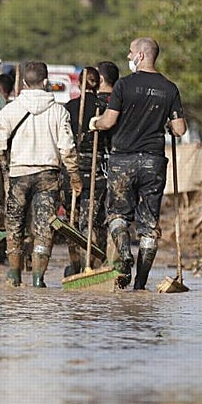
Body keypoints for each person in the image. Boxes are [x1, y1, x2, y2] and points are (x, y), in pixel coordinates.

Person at [0, 61, 82, 288]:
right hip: (48, 176)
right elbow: (67, 149)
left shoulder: (10, 110)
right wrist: (74, 176)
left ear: (24, 83)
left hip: (18, 176)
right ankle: (38, 279)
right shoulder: (59, 111)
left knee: (14, 226)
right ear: (46, 82)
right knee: (44, 229)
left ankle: (14, 277)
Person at [91, 37, 186, 289]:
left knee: (118, 215)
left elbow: (109, 122)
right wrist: (165, 122)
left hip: (122, 159)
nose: (128, 57)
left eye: (131, 53)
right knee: (149, 225)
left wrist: (95, 123)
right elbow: (179, 129)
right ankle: (140, 284)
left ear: (141, 56)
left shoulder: (123, 85)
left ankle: (123, 253)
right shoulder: (169, 88)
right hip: (153, 163)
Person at [63, 61, 118, 276]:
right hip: (97, 168)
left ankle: (83, 265)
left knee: (74, 221)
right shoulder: (104, 107)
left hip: (78, 167)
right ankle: (91, 263)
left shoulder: (70, 107)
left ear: (79, 84)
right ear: (97, 84)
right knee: (93, 220)